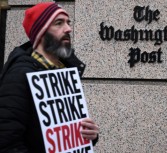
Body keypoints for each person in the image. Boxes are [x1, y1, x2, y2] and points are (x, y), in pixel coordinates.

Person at [0, 2, 99, 153]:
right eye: (58, 23)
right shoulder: (19, 75)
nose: (68, 29)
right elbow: (6, 142)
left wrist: (90, 135)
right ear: (41, 32)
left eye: (68, 22)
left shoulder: (66, 72)